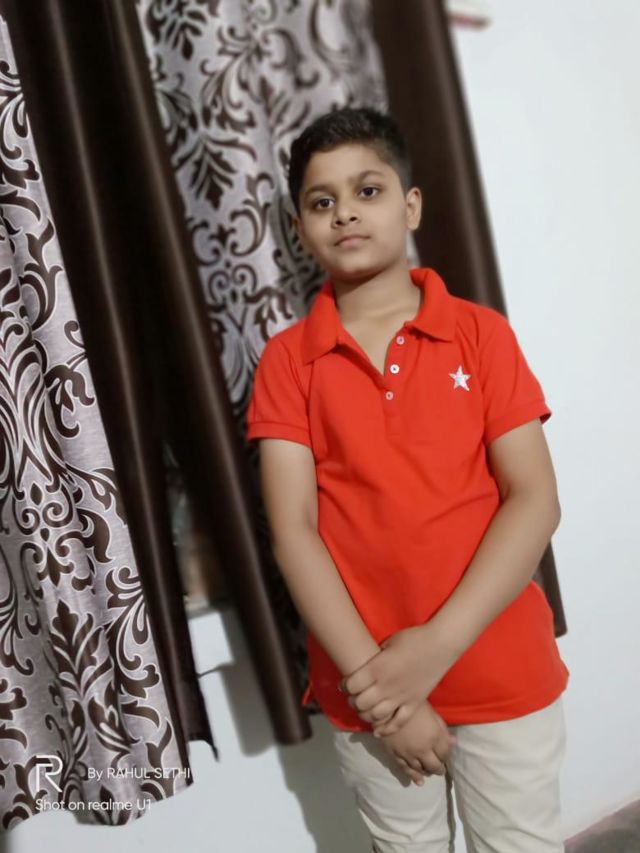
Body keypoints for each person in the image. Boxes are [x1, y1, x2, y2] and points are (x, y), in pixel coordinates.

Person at [245, 106, 570, 852]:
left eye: (368, 190)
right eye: (322, 201)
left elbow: (535, 500)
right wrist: (385, 694)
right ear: (300, 228)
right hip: (368, 690)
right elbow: (293, 532)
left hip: (502, 671)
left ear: (410, 204)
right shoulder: (288, 363)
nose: (345, 213)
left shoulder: (482, 335)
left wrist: (431, 650)